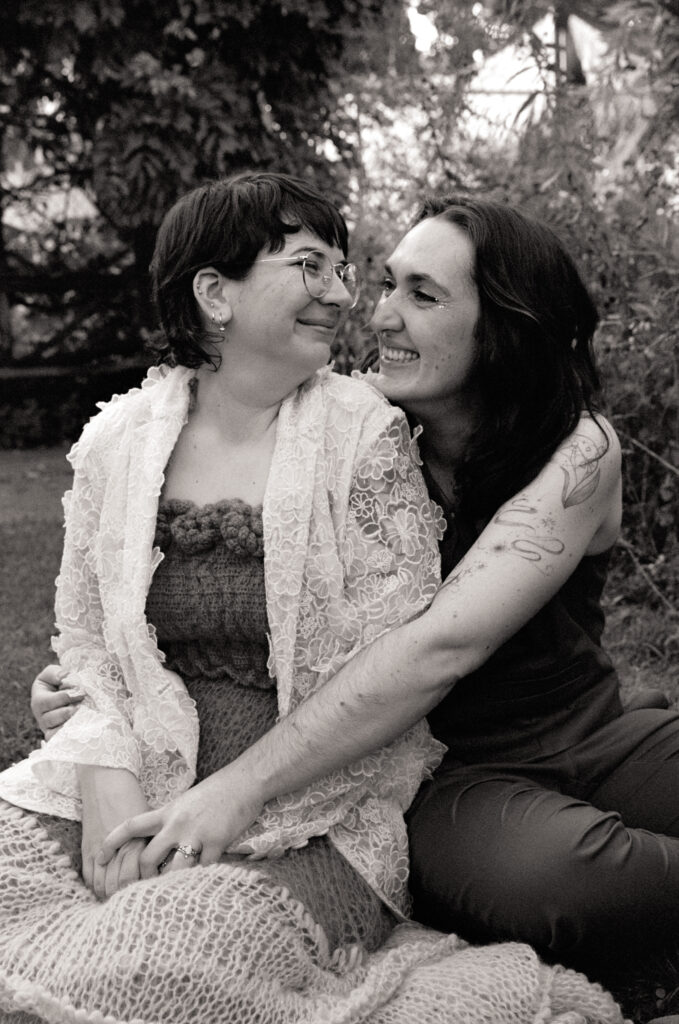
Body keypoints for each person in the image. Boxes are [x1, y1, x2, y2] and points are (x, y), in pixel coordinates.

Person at [14, 182, 630, 1024]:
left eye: (415, 293)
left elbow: (427, 650)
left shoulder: (426, 438)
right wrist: (98, 751)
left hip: (436, 762)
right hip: (384, 772)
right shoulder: (133, 440)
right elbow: (91, 640)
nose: (361, 306)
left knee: (154, 962)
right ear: (213, 292)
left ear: (504, 327)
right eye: (329, 271)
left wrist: (226, 796)